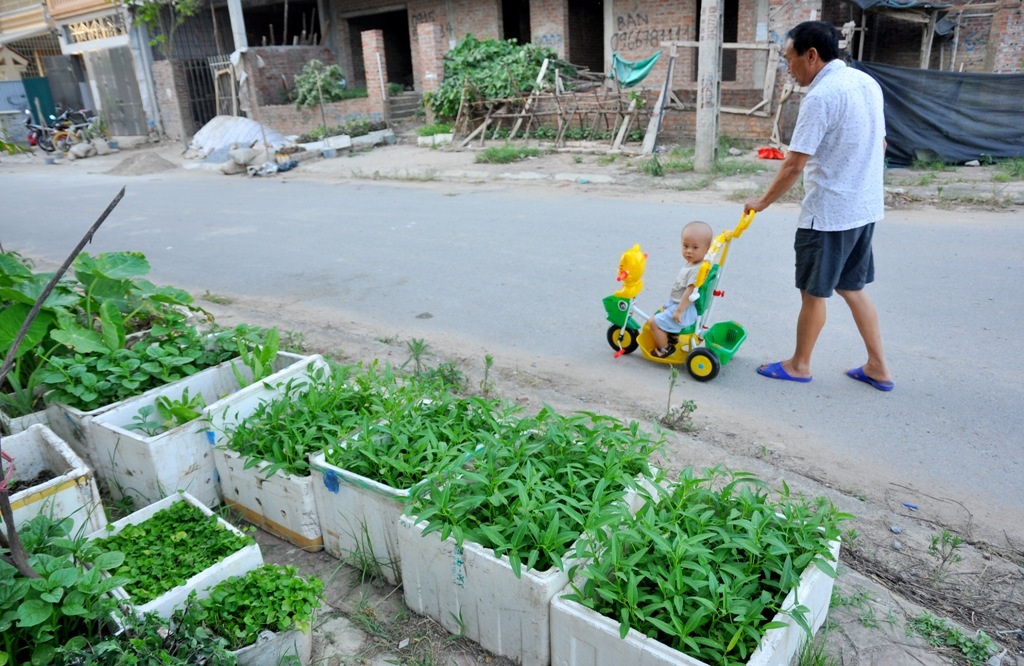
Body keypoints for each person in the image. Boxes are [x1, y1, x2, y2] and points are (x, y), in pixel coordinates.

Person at [744, 20, 894, 391]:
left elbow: (794, 163)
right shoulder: (866, 83)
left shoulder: (821, 97)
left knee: (813, 293)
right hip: (865, 207)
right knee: (852, 287)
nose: (788, 68)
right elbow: (883, 145)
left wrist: (761, 202)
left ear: (811, 56)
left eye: (789, 59)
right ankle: (878, 366)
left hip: (828, 214)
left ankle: (799, 365)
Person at [649, 221, 714, 358]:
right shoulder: (696, 263)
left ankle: (665, 348)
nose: (689, 251)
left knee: (653, 322)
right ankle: (673, 335)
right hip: (680, 304)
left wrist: (679, 311)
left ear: (707, 249)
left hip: (684, 309)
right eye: (685, 246)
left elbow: (689, 292)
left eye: (695, 247)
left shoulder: (697, 270)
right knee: (665, 308)